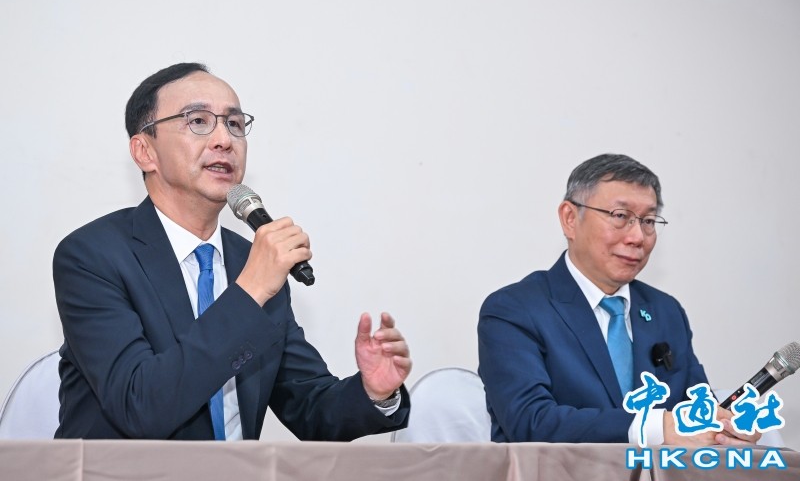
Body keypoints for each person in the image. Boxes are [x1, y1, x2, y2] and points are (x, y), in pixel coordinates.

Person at [53, 62, 411, 440]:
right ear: (145, 151)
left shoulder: (251, 262)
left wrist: (375, 391)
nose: (224, 139)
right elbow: (139, 406)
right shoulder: (92, 256)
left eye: (235, 124)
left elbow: (308, 404)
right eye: (198, 121)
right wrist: (250, 290)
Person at [478, 153, 757, 446]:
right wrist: (655, 428)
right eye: (620, 216)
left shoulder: (665, 312)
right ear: (570, 219)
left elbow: (698, 411)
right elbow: (531, 423)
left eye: (648, 220)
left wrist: (725, 429)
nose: (637, 237)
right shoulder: (514, 310)